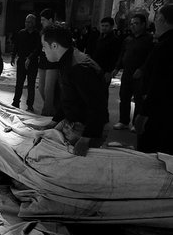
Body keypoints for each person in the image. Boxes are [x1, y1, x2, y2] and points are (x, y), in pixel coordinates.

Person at [40, 24, 108, 156]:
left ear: (54, 46)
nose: (43, 50)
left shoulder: (79, 68)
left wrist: (85, 140)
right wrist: (55, 121)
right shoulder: (67, 59)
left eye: (44, 46)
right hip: (73, 120)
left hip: (84, 128)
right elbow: (69, 96)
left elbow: (98, 107)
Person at [134, 3, 173, 154]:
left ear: (162, 19)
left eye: (156, 18)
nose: (154, 23)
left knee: (152, 152)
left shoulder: (164, 47)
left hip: (160, 113)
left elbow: (158, 85)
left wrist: (143, 114)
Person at [110, 13, 153, 130]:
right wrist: (117, 67)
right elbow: (122, 54)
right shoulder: (128, 39)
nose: (133, 26)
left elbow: (150, 58)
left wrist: (142, 69)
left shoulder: (149, 39)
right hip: (127, 73)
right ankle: (123, 121)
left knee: (138, 99)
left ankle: (135, 123)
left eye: (136, 23)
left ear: (143, 25)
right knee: (124, 97)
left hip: (139, 74)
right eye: (132, 24)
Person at [10, 14, 40, 111]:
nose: (27, 24)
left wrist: (30, 58)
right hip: (22, 61)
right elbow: (16, 45)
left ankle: (30, 105)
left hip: (32, 62)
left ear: (34, 23)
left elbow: (38, 49)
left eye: (29, 22)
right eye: (26, 21)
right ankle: (15, 102)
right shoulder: (21, 33)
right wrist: (13, 56)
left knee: (31, 84)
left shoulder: (37, 35)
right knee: (19, 83)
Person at [38, 9, 60, 116]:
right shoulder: (43, 32)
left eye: (43, 20)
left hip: (53, 63)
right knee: (41, 88)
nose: (41, 22)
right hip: (43, 62)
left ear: (50, 20)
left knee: (48, 89)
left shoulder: (57, 31)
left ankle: (47, 111)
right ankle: (51, 108)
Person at [89, 17, 122, 89]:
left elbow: (114, 57)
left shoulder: (115, 40)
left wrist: (109, 72)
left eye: (106, 26)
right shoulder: (100, 37)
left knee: (102, 91)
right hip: (95, 68)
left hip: (105, 70)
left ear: (112, 26)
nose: (104, 28)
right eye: (102, 26)